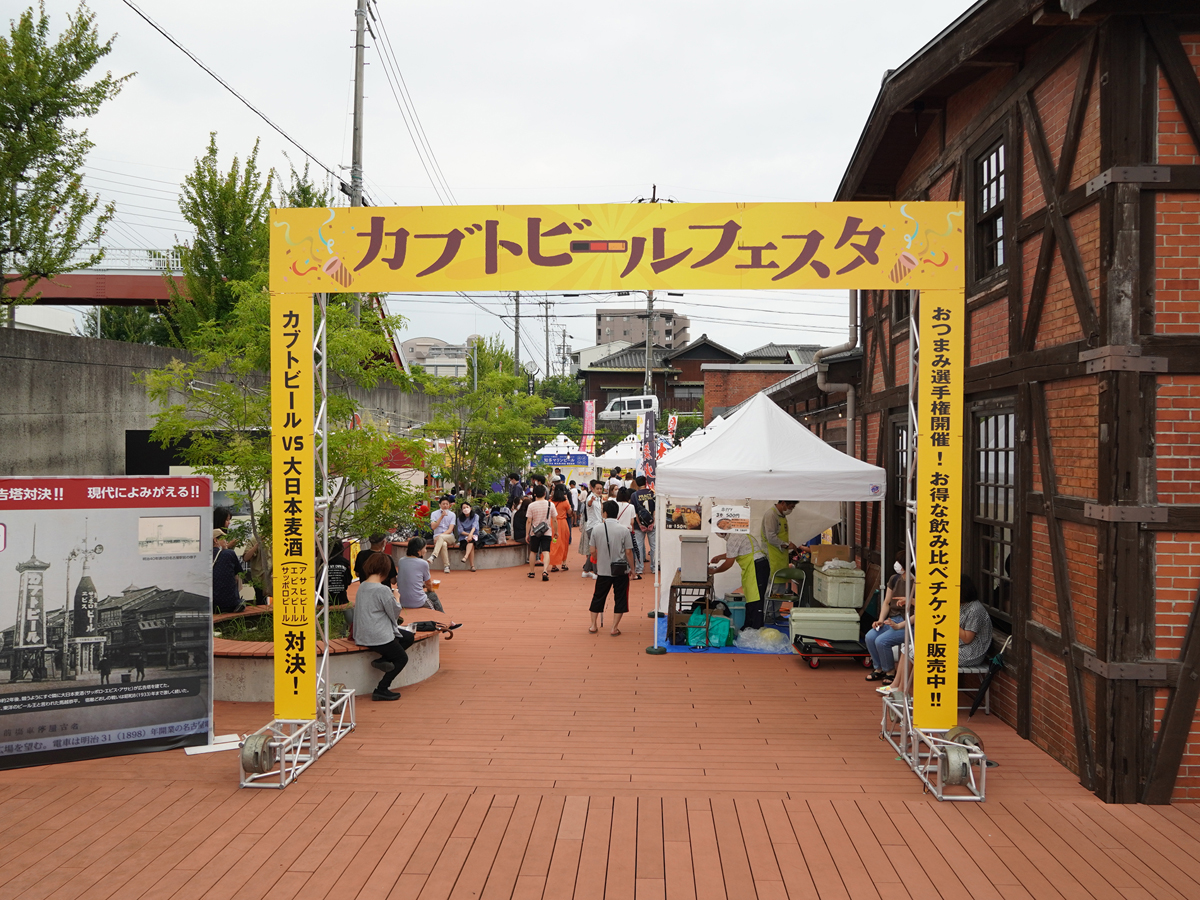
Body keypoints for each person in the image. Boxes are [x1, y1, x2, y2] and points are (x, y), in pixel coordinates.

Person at [353, 552, 414, 701]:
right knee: (401, 659)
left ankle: (383, 660)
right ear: (385, 570)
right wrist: (397, 597)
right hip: (378, 635)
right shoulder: (382, 590)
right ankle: (382, 688)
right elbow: (394, 613)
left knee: (408, 637)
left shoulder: (362, 586)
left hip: (362, 633)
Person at [588, 500, 636, 636]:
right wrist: (632, 569)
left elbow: (592, 550)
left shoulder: (596, 529)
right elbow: (628, 552)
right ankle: (614, 627)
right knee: (620, 597)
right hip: (620, 570)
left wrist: (598, 560)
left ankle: (593, 625)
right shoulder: (624, 530)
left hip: (603, 570)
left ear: (605, 513)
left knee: (598, 596)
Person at [865, 553, 911, 684]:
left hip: (909, 623)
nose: (897, 565)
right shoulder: (894, 579)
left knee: (882, 641)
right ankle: (878, 668)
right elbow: (886, 602)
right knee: (870, 636)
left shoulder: (917, 582)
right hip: (893, 619)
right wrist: (881, 619)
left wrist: (900, 625)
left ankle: (890, 671)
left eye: (900, 562)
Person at [708, 530, 767, 629]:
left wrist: (714, 571)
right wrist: (720, 557)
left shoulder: (733, 538)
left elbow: (729, 563)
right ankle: (748, 627)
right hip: (754, 567)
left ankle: (755, 629)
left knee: (756, 600)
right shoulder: (738, 533)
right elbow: (736, 551)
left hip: (756, 567)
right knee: (750, 598)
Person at [758, 500, 799, 596]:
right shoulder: (771, 515)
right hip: (771, 557)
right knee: (772, 589)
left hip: (780, 557)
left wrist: (787, 545)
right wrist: (787, 545)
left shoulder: (782, 516)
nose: (791, 510)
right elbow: (771, 537)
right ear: (783, 503)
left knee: (780, 589)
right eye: (791, 507)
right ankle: (769, 611)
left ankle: (775, 611)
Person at [396, 537, 446, 614]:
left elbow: (409, 579)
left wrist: (422, 585)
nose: (425, 551)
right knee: (433, 596)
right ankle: (444, 619)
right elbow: (429, 584)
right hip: (417, 600)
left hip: (401, 600)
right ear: (418, 551)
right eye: (424, 548)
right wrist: (431, 589)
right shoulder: (423, 563)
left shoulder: (401, 561)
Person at [959, 576, 994, 667]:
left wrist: (951, 621)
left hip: (971, 652)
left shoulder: (975, 609)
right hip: (959, 646)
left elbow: (967, 638)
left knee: (935, 656)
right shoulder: (962, 605)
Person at [526, 484, 556, 582]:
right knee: (546, 551)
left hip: (535, 532)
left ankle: (531, 572)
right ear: (544, 493)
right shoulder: (550, 504)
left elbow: (529, 521)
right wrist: (556, 531)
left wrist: (527, 534)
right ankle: (545, 571)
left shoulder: (531, 505)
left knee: (533, 551)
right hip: (547, 531)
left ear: (534, 494)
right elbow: (554, 519)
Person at [211, 528, 244, 613]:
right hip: (230, 604)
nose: (226, 541)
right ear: (215, 540)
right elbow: (239, 573)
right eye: (224, 539)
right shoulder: (229, 554)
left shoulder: (203, 557)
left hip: (211, 605)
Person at [631, 475, 656, 578]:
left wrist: (640, 524)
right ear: (646, 482)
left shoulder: (634, 495)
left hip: (638, 525)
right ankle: (654, 567)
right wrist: (652, 522)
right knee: (653, 545)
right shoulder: (652, 493)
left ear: (636, 483)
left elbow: (635, 512)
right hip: (651, 523)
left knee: (639, 546)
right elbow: (655, 509)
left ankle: (639, 568)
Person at [579, 480, 605, 578]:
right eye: (597, 488)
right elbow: (589, 504)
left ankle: (586, 571)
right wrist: (591, 501)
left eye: (600, 488)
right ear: (592, 488)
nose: (599, 490)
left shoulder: (598, 498)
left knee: (593, 550)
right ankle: (595, 572)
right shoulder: (591, 498)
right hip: (592, 527)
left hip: (596, 526)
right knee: (595, 550)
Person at [428, 496, 458, 573]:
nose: (445, 505)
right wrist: (441, 517)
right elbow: (433, 527)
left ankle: (433, 556)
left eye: (447, 504)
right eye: (443, 504)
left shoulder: (452, 515)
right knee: (443, 544)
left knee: (442, 538)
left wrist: (439, 536)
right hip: (438, 538)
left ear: (449, 505)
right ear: (439, 505)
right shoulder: (434, 514)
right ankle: (446, 566)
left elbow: (450, 529)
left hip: (449, 537)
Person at [240, 535, 273, 605]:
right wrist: (256, 546)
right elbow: (246, 558)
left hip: (273, 576)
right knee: (261, 600)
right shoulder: (254, 539)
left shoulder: (276, 538)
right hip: (259, 576)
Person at [549, 482, 572, 572]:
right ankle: (564, 563)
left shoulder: (550, 501)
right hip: (563, 524)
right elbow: (570, 512)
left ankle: (554, 565)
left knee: (553, 543)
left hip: (552, 523)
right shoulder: (565, 501)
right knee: (564, 543)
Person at [456, 501, 480, 572]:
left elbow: (474, 526)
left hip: (474, 535)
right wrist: (468, 535)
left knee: (471, 541)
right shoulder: (459, 519)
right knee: (471, 543)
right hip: (463, 537)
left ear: (470, 508)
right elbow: (460, 531)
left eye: (467, 507)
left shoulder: (475, 516)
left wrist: (471, 535)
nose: (465, 509)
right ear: (461, 510)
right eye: (464, 508)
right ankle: (472, 566)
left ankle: (466, 557)